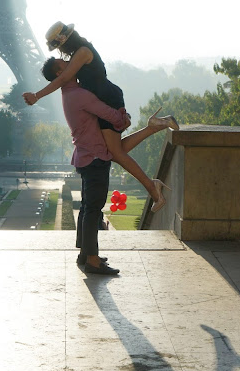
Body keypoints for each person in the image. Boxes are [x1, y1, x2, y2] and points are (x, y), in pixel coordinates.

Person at [23, 22, 178, 210]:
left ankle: (153, 188)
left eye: (59, 46)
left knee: (116, 153)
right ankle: (154, 128)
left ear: (65, 41)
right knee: (115, 151)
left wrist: (37, 95)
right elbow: (65, 78)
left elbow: (63, 78)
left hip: (107, 99)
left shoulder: (82, 52)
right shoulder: (78, 53)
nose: (60, 52)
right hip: (105, 98)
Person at [40, 56, 170, 275]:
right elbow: (107, 113)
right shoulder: (80, 95)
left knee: (87, 208)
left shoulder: (71, 94)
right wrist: (123, 117)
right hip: (94, 158)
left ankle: (85, 254)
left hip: (88, 155)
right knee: (93, 209)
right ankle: (92, 259)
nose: (71, 66)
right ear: (59, 75)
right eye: (64, 66)